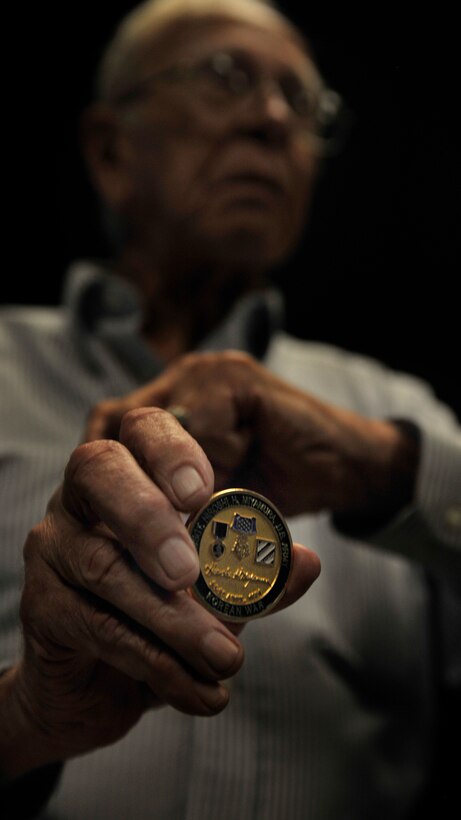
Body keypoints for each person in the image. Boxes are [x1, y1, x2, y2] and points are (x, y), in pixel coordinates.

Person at [0, 0, 460, 817]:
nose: (273, 120)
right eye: (226, 77)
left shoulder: (393, 413)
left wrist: (387, 470)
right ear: (109, 149)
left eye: (303, 103)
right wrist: (24, 720)